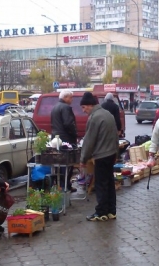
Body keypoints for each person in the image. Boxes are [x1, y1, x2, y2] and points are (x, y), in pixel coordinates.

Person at [79, 92, 119, 221]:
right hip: (111, 153)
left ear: (90, 105)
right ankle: (111, 211)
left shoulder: (94, 117)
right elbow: (115, 135)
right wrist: (116, 153)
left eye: (84, 107)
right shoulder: (108, 114)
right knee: (109, 183)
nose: (83, 111)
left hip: (101, 155)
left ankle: (101, 212)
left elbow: (89, 140)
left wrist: (83, 159)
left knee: (101, 184)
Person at [50, 90, 78, 192]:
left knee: (59, 163)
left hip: (56, 138)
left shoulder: (55, 107)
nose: (72, 99)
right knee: (68, 164)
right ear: (65, 97)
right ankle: (65, 185)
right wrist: (74, 134)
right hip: (66, 139)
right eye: (71, 97)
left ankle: (61, 185)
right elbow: (68, 124)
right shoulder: (66, 108)